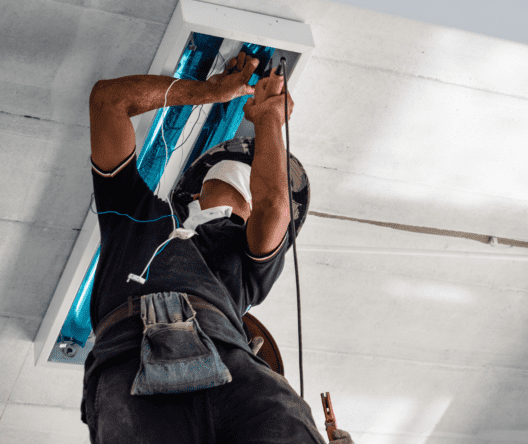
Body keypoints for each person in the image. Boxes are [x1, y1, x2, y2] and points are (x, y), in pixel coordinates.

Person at [81, 52, 353, 444]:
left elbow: (274, 204)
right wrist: (208, 92)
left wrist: (269, 120)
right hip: (140, 362)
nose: (234, 191)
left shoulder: (239, 255)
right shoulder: (139, 214)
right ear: (193, 190)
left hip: (161, 359)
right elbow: (108, 101)